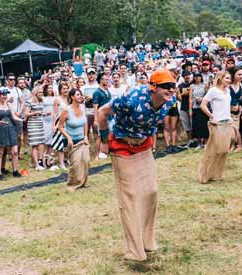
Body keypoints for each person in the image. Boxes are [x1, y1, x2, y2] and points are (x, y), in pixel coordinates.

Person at [97, 69, 177, 263]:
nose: (171, 90)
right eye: (166, 86)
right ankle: (135, 251)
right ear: (153, 87)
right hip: (122, 145)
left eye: (173, 86)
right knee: (131, 195)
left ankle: (148, 241)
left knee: (151, 191)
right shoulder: (132, 98)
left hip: (144, 146)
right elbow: (102, 112)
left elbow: (154, 123)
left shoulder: (170, 102)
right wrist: (104, 141)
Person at [197, 71, 238, 183]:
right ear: (221, 78)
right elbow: (203, 105)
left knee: (224, 151)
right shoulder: (213, 90)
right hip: (217, 123)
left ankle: (216, 174)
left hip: (227, 122)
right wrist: (211, 116)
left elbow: (225, 105)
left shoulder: (228, 90)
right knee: (213, 150)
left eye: (230, 78)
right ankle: (204, 175)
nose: (230, 80)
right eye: (227, 78)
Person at [57, 88, 89, 192]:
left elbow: (85, 123)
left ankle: (82, 182)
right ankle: (72, 185)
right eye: (77, 95)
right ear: (72, 97)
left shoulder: (83, 107)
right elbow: (60, 126)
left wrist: (85, 136)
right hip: (70, 141)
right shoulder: (67, 110)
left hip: (82, 140)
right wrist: (69, 138)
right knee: (75, 165)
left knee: (85, 161)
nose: (80, 96)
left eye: (80, 94)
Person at [0, 87, 22, 178]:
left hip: (10, 129)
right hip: (0, 129)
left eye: (6, 94)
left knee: (15, 151)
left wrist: (21, 119)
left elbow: (13, 116)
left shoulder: (8, 105)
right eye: (3, 94)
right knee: (0, 152)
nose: (5, 96)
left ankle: (15, 171)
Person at [25, 87, 46, 171]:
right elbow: (26, 113)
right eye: (40, 92)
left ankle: (40, 161)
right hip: (33, 124)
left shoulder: (42, 101)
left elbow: (42, 112)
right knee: (35, 144)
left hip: (41, 123)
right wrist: (35, 113)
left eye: (42, 92)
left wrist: (45, 114)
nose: (41, 94)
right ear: (35, 93)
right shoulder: (29, 102)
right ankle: (36, 164)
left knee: (41, 143)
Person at [92, 73, 111, 159]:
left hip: (109, 116)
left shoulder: (107, 90)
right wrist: (95, 120)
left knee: (109, 135)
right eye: (105, 79)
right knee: (99, 136)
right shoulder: (97, 92)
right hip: (101, 117)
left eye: (107, 79)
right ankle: (96, 155)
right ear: (101, 80)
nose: (107, 81)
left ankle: (107, 152)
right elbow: (95, 107)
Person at [189, 72, 208, 147]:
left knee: (204, 125)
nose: (197, 78)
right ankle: (199, 143)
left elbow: (207, 95)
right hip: (195, 107)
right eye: (196, 77)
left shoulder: (205, 85)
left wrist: (202, 99)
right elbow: (190, 98)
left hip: (203, 107)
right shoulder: (192, 86)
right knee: (196, 125)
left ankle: (206, 142)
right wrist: (190, 109)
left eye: (199, 76)